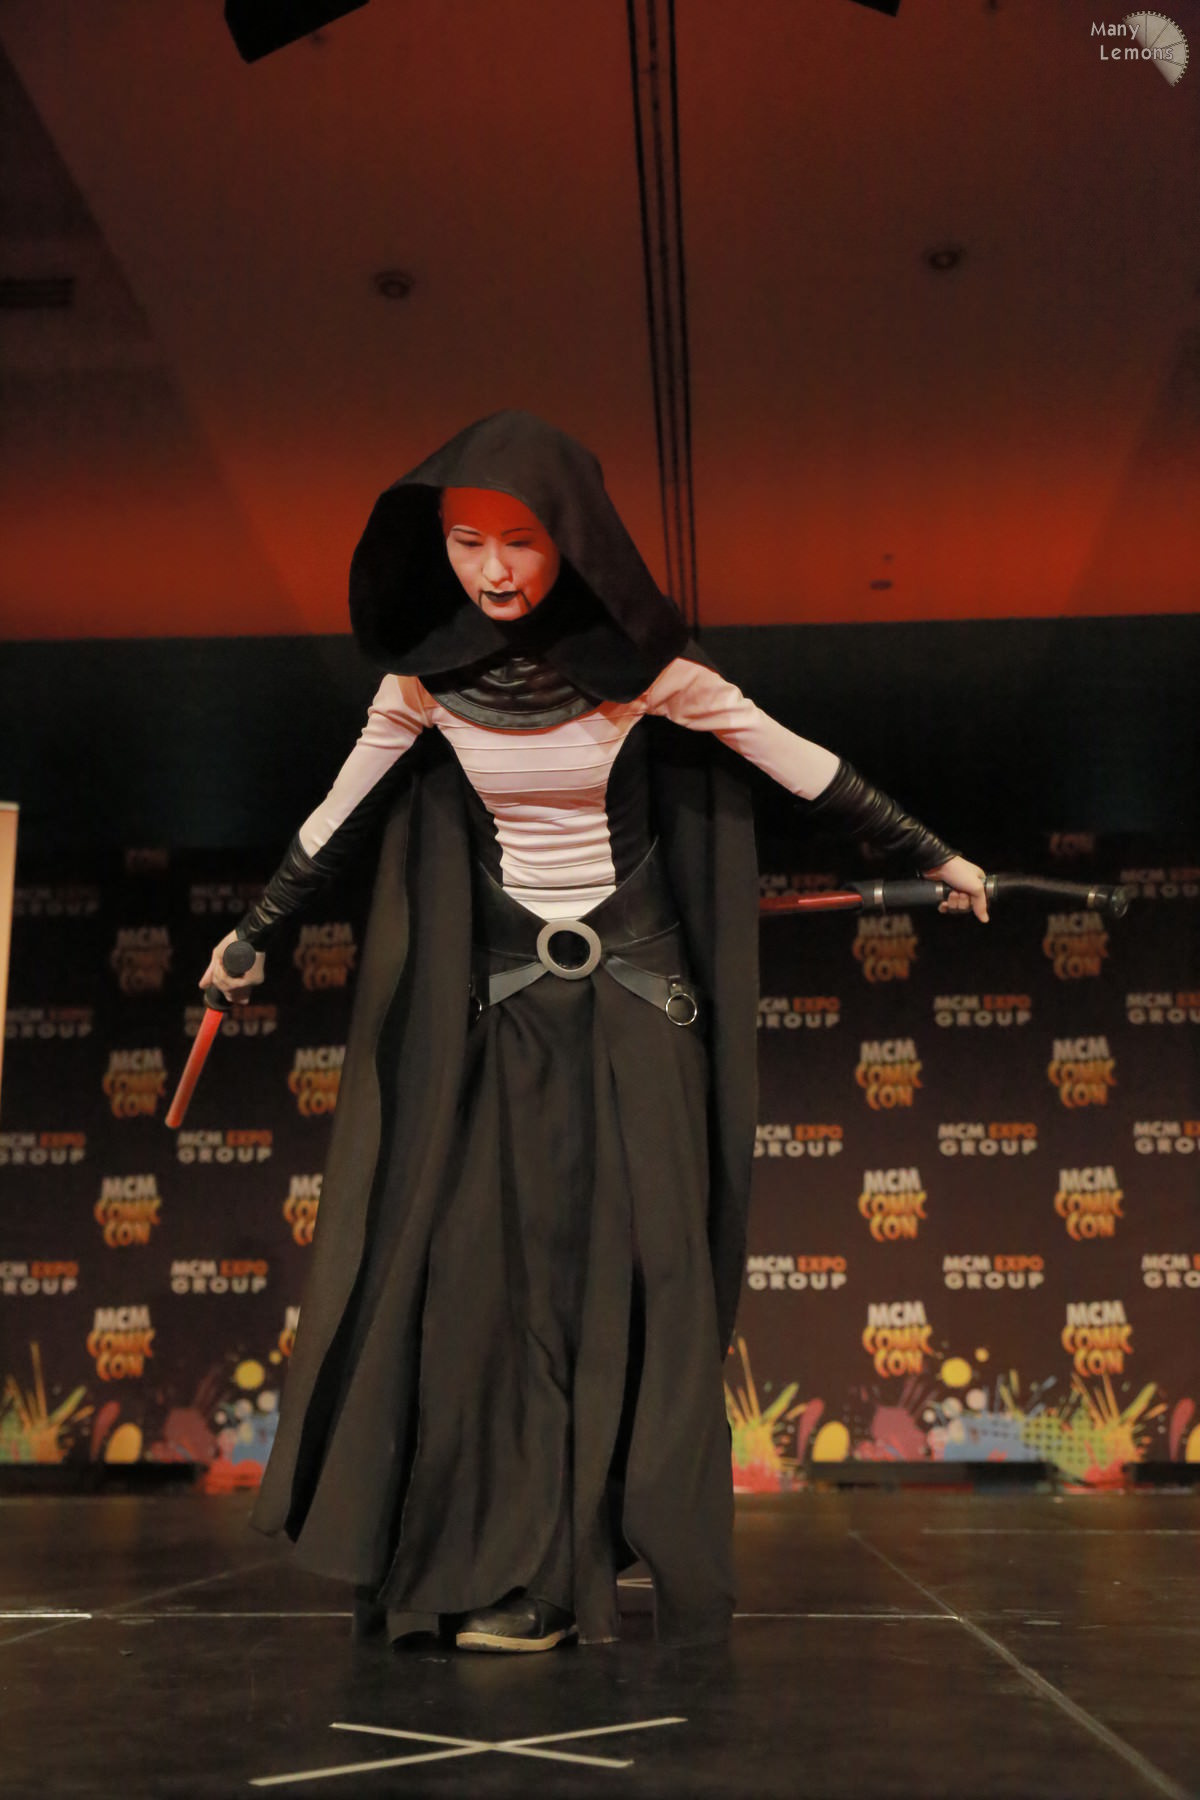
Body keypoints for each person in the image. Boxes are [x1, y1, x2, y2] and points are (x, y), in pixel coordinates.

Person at [200, 411, 986, 1653]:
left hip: (635, 1010)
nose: (491, 569)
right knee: (481, 1287)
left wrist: (936, 856)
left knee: (625, 1288)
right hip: (509, 1014)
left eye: (519, 541)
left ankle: (575, 1573)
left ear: (569, 538)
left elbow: (797, 763)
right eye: (466, 541)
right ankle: (491, 1561)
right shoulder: (423, 681)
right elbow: (335, 818)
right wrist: (251, 934)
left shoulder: (647, 667)